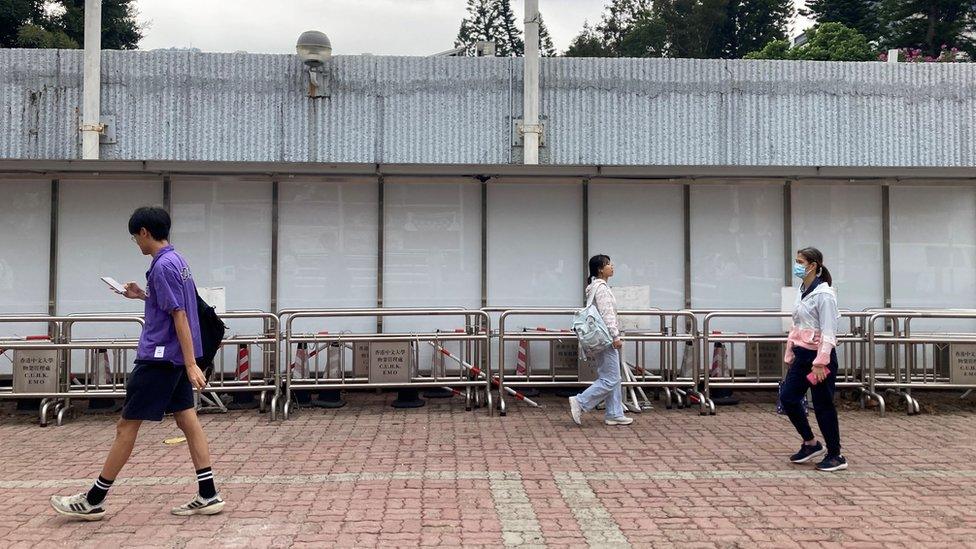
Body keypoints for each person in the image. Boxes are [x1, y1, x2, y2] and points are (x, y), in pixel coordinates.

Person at [51, 207, 225, 520]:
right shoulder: (178, 260)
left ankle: (93, 498)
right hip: (174, 359)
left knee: (126, 425)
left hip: (161, 358)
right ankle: (209, 493)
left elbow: (180, 315)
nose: (137, 243)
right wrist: (141, 295)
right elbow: (173, 305)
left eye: (136, 237)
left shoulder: (161, 266)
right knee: (187, 419)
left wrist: (189, 364)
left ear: (144, 231)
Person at [780, 247, 847, 472]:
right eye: (796, 260)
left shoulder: (825, 295)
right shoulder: (803, 290)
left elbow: (829, 331)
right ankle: (810, 443)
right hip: (802, 355)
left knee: (822, 404)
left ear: (813, 265)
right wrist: (790, 350)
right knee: (788, 398)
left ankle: (836, 454)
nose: (797, 266)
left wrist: (821, 362)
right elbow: (797, 324)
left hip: (819, 359)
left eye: (800, 261)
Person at [568, 255, 633, 426]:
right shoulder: (602, 289)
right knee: (611, 378)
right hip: (606, 339)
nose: (612, 266)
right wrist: (615, 336)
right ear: (600, 269)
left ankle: (614, 413)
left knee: (612, 376)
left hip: (600, 338)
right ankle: (581, 401)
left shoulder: (594, 287)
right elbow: (607, 314)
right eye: (608, 264)